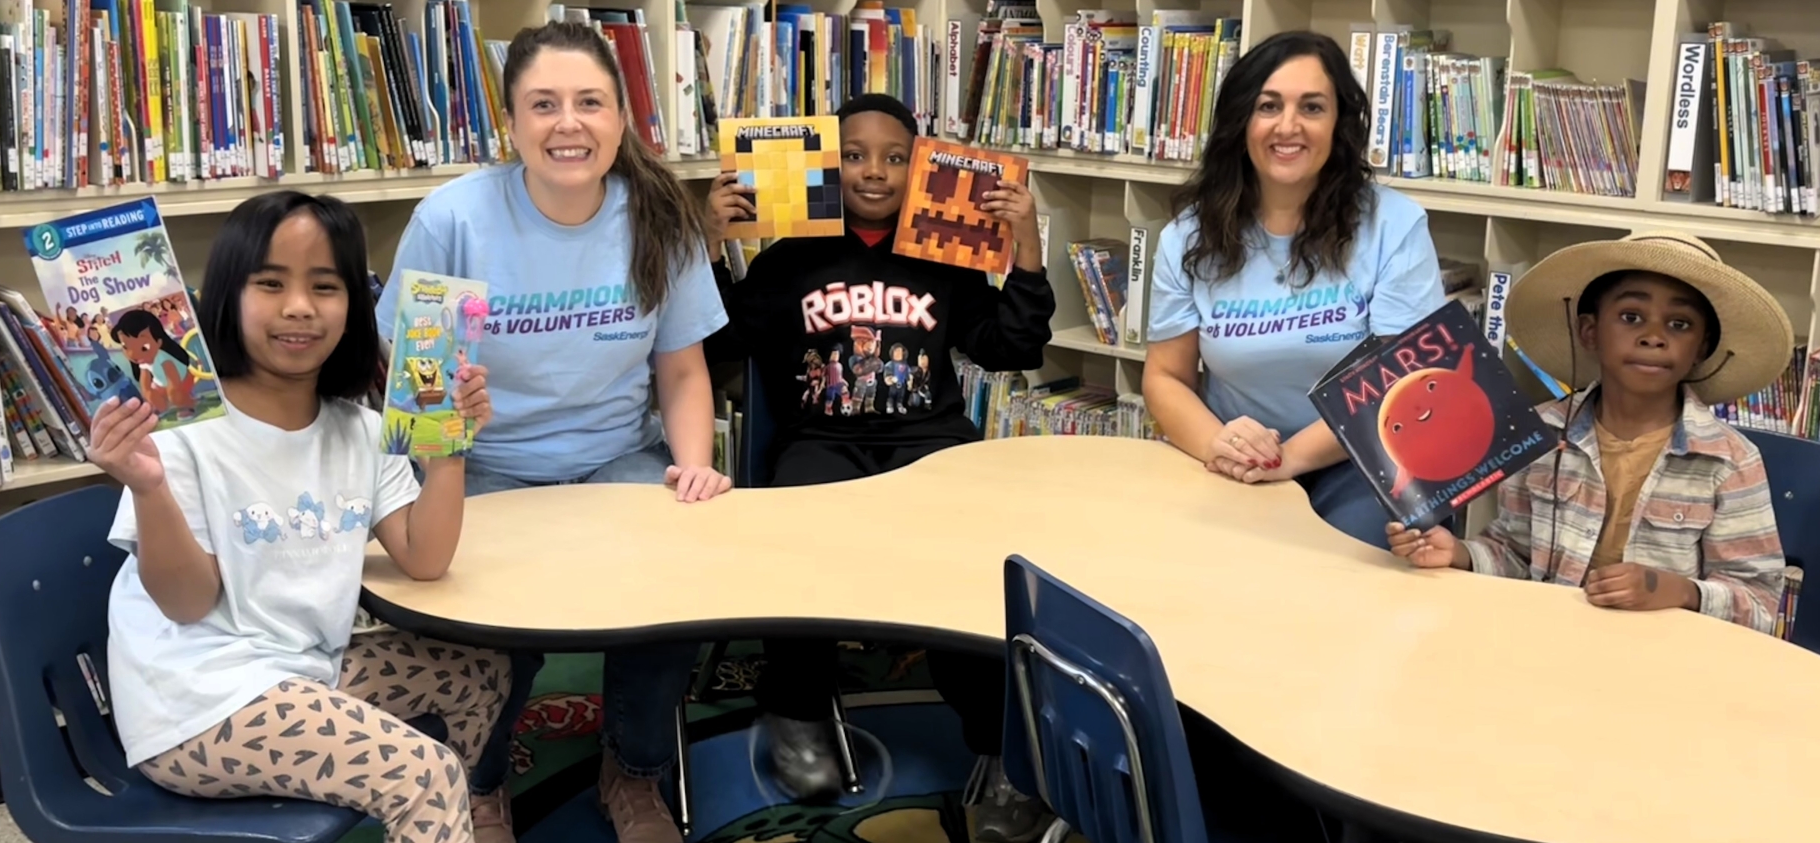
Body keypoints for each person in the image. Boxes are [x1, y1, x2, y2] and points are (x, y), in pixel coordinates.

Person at [377, 20, 730, 843]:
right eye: (544, 104)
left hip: (617, 460)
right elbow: (414, 377)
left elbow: (681, 370)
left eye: (589, 103)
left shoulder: (659, 216)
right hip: (487, 466)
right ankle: (481, 783)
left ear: (620, 118)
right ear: (511, 124)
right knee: (491, 628)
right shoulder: (453, 219)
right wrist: (446, 427)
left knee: (677, 586)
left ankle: (635, 771)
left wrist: (695, 468)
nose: (567, 123)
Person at [96, 190, 512, 843]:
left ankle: (460, 819)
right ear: (228, 296)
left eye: (325, 286)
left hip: (303, 671)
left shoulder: (361, 429)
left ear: (353, 306)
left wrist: (449, 448)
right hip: (198, 700)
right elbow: (185, 601)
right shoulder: (181, 433)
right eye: (270, 283)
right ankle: (437, 810)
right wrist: (148, 488)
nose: (299, 307)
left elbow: (423, 557)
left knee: (480, 670)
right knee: (423, 772)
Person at [700, 93, 1057, 842]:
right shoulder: (789, 257)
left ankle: (998, 740)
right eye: (856, 154)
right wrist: (706, 244)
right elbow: (716, 340)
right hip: (819, 439)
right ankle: (794, 702)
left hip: (927, 440)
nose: (874, 171)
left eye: (895, 157)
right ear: (831, 162)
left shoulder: (942, 249)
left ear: (917, 167)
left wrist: (1025, 247)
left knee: (972, 558)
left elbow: (1012, 346)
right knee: (799, 528)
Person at [1385, 231, 1791, 633]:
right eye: (1631, 317)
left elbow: (1759, 602)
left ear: (1701, 347)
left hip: (1664, 661)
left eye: (1680, 324)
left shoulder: (1729, 460)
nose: (1654, 337)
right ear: (1590, 332)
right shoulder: (1542, 435)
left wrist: (1682, 592)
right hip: (1548, 640)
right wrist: (1459, 553)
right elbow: (1513, 552)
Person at [1141, 30, 1446, 550]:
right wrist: (1220, 443)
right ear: (1241, 123)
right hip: (1238, 458)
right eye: (1268, 106)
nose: (1289, 126)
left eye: (1312, 107)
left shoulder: (1395, 225)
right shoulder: (1187, 237)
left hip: (1369, 457)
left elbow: (1405, 386)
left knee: (1339, 572)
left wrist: (1286, 461)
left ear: (1338, 124)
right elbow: (1166, 377)